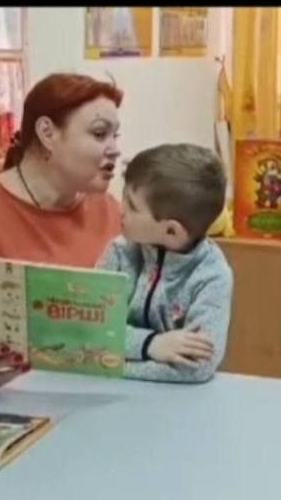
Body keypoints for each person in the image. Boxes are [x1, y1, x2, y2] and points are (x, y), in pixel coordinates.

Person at [0, 72, 126, 392]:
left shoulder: (110, 210)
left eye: (116, 136)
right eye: (100, 134)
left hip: (103, 394)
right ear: (47, 133)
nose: (115, 149)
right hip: (6, 399)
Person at [96, 143, 233, 383]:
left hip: (176, 401)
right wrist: (151, 344)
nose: (121, 209)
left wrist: (111, 363)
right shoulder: (120, 252)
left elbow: (197, 366)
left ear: (171, 231)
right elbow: (91, 333)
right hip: (107, 392)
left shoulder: (213, 276)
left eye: (132, 205)